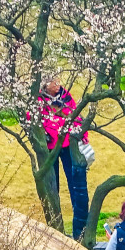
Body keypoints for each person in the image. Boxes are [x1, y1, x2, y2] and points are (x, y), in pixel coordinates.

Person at [40, 80, 90, 240]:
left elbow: (76, 116)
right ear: (45, 85)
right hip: (50, 147)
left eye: (58, 82)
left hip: (68, 145)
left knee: (74, 183)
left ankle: (79, 228)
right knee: (52, 184)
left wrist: (82, 136)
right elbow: (35, 120)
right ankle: (55, 224)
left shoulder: (65, 96)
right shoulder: (39, 100)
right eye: (53, 82)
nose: (57, 85)